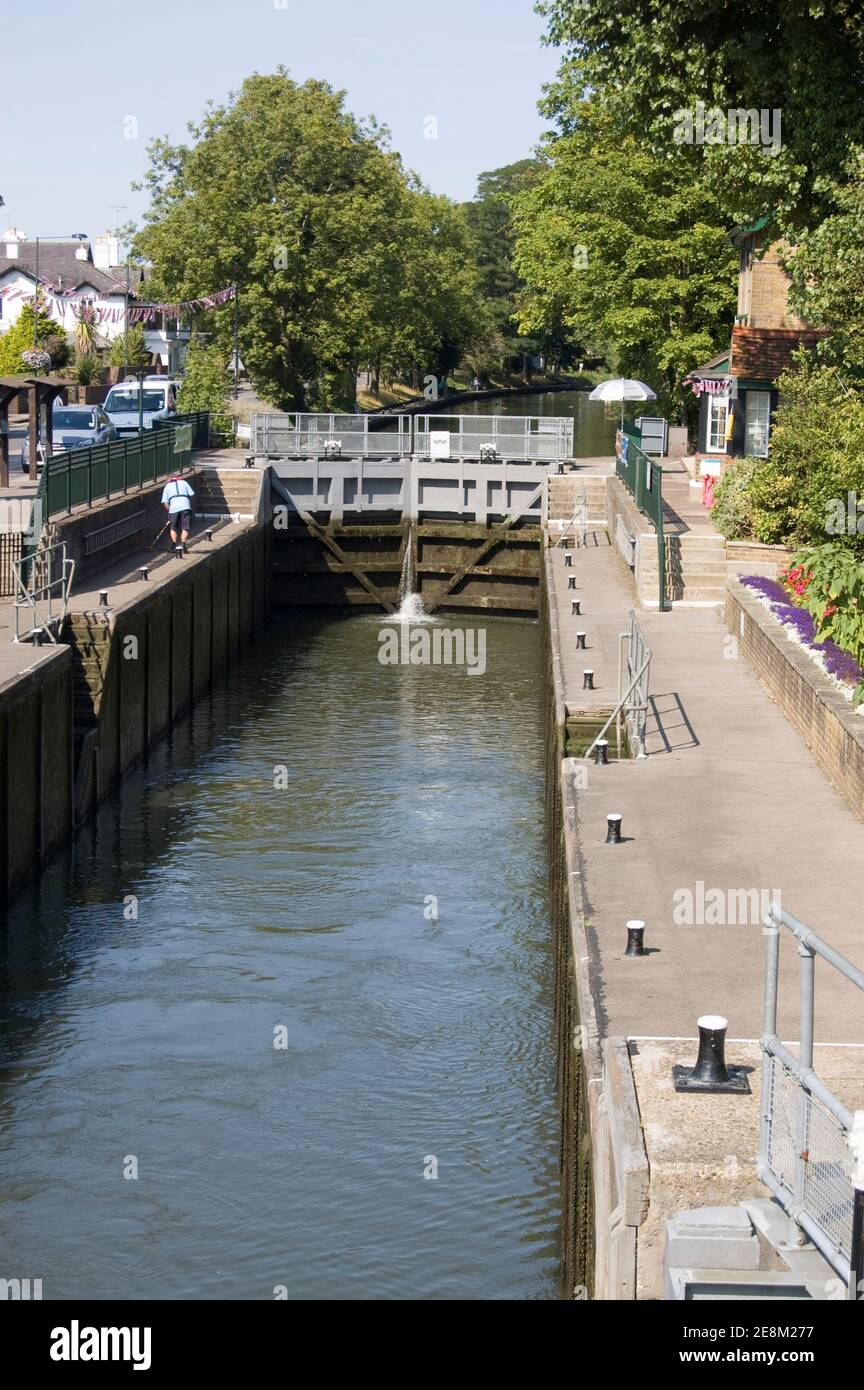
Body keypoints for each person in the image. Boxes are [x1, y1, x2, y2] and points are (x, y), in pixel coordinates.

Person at [161, 473, 195, 552]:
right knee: (185, 527)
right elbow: (192, 494)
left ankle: (174, 545)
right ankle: (183, 545)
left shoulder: (167, 486)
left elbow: (165, 502)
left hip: (173, 508)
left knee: (173, 527)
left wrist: (170, 511)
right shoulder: (184, 483)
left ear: (169, 479)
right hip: (185, 506)